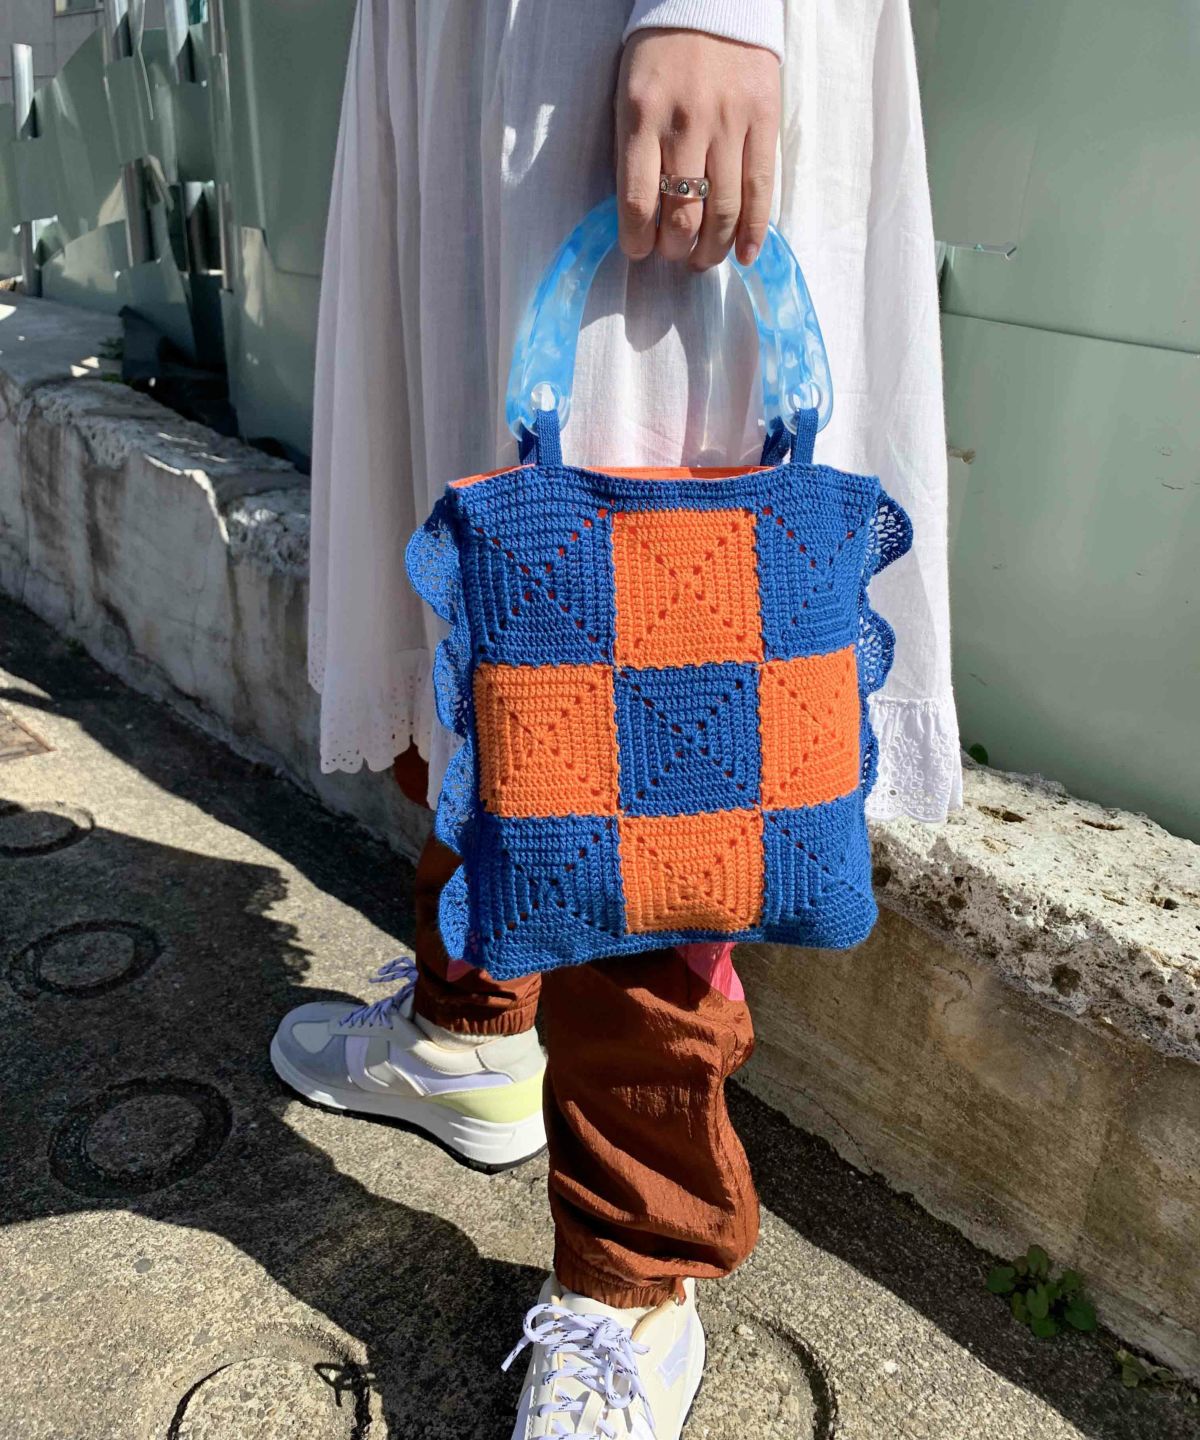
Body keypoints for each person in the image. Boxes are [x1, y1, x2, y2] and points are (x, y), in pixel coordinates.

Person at [273, 3, 960, 1436]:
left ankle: (631, 1279)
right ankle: (471, 1028)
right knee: (495, 618)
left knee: (650, 687)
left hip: (625, 34)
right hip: (455, 49)